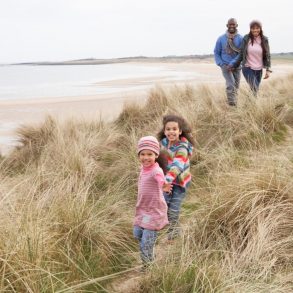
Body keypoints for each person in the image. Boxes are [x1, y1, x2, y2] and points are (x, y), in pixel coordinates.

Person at [133, 136, 171, 268]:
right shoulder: (143, 168)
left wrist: (164, 185)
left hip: (153, 211)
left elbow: (160, 178)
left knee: (145, 243)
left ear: (156, 155)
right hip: (142, 209)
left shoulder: (156, 170)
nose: (145, 157)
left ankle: (149, 267)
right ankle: (150, 253)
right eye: (142, 154)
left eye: (149, 154)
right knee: (137, 234)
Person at [158, 115, 194, 240]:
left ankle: (173, 235)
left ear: (180, 131)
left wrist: (166, 180)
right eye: (168, 129)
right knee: (164, 205)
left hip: (179, 183)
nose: (171, 132)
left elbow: (177, 166)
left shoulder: (182, 148)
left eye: (174, 129)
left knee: (174, 209)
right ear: (164, 131)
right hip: (166, 182)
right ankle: (172, 229)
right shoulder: (162, 145)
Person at [231, 20, 272, 95]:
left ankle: (250, 104)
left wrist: (268, 69)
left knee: (254, 90)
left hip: (259, 69)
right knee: (255, 88)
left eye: (257, 28)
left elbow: (267, 55)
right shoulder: (246, 38)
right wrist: (234, 65)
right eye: (253, 28)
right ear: (250, 29)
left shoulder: (264, 39)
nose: (255, 30)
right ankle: (255, 105)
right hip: (247, 67)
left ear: (260, 28)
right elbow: (241, 54)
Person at [214, 18, 243, 106]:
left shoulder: (241, 38)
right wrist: (221, 64)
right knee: (231, 84)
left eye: (233, 24)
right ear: (227, 25)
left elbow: (241, 53)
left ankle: (235, 103)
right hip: (225, 66)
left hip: (237, 66)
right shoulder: (221, 38)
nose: (231, 26)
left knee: (236, 86)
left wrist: (233, 63)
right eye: (230, 24)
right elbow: (216, 52)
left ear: (236, 25)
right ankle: (232, 106)